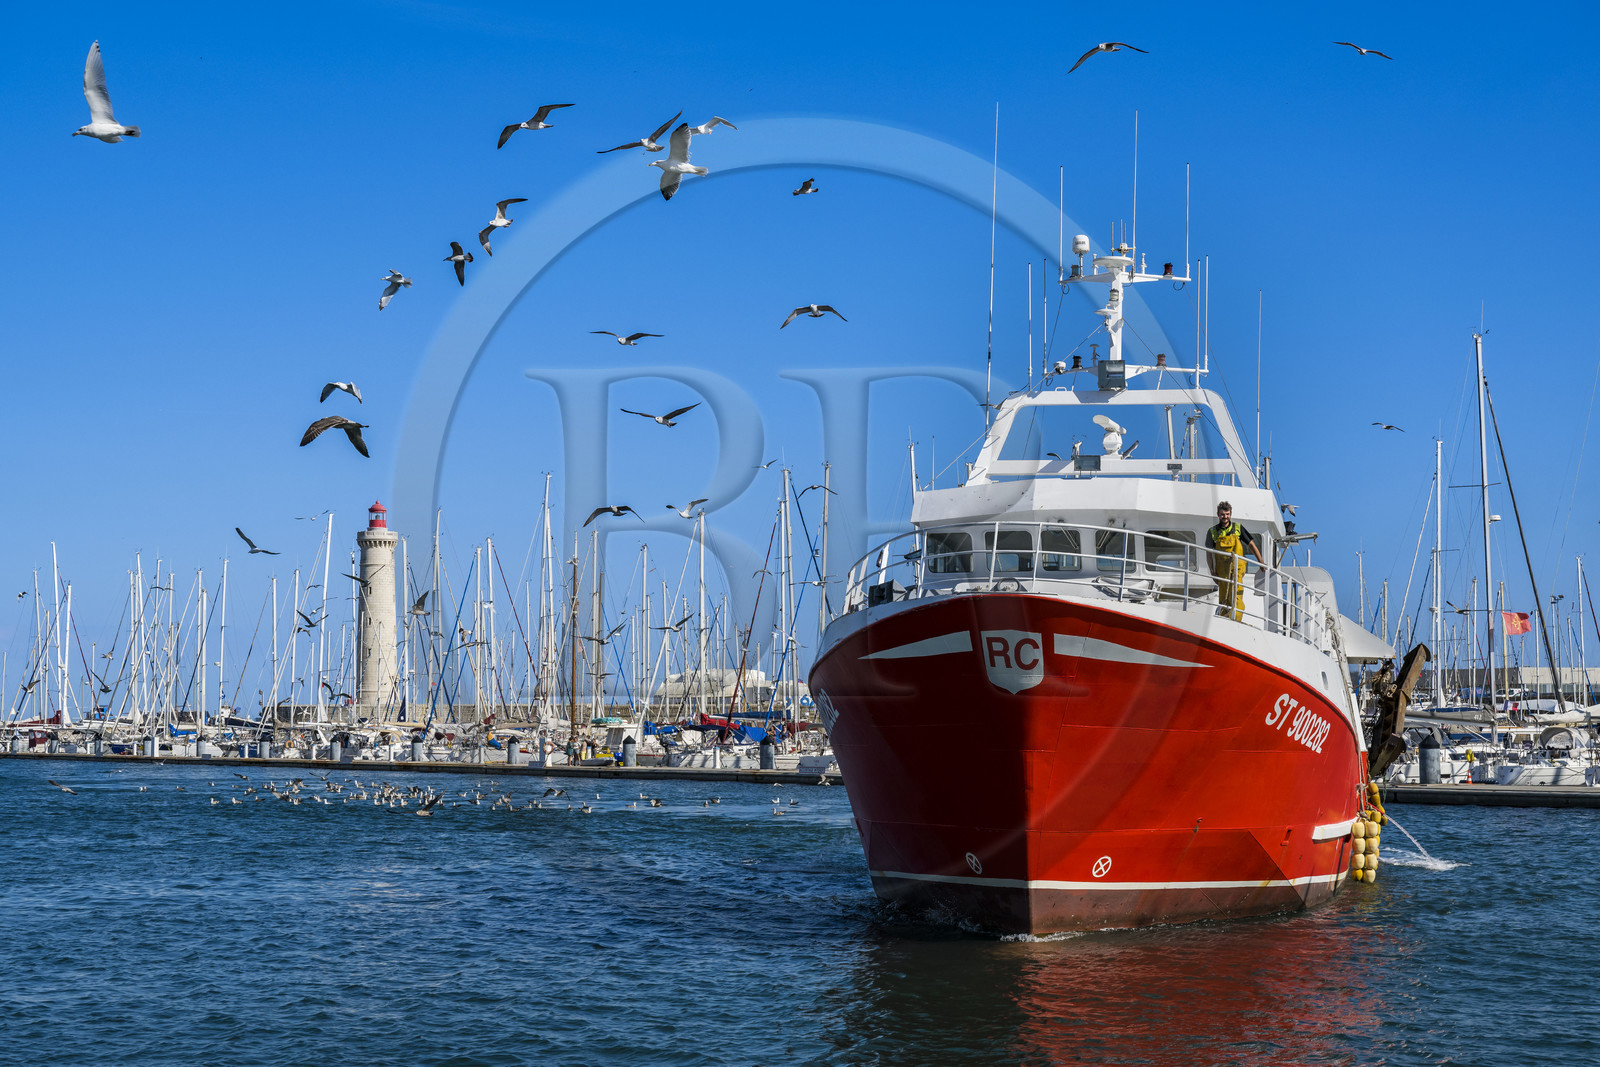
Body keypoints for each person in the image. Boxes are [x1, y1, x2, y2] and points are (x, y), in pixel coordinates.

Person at [1205, 501, 1263, 621]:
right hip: (1222, 573)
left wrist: (1261, 562)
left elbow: (1251, 545)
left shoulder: (1238, 528)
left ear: (1230, 514)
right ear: (1218, 515)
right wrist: (1212, 572)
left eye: (1227, 514)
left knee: (1237, 598)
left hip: (1237, 572)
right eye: (1222, 514)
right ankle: (1224, 620)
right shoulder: (1212, 532)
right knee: (1223, 599)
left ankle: (1236, 621)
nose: (1225, 517)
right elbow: (1208, 553)